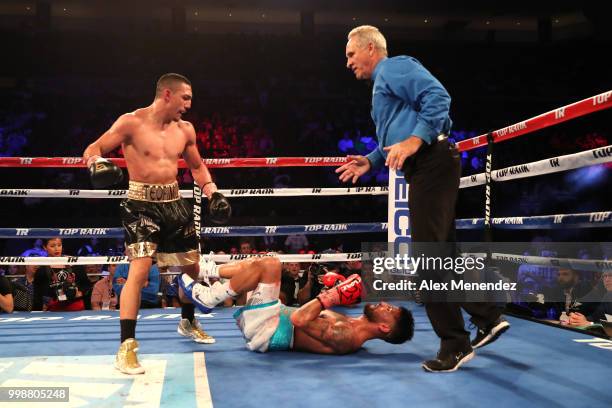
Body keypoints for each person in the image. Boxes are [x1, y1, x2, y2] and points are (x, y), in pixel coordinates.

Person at [336, 26, 509, 372]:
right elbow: (394, 134)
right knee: (442, 252)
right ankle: (486, 316)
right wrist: (370, 161)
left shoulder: (394, 67)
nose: (348, 63)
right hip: (429, 164)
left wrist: (415, 141)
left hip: (432, 160)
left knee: (429, 257)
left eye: (351, 55)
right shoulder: (383, 83)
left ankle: (456, 342)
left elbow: (439, 97)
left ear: (371, 48)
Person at [82, 73, 231, 375]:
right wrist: (96, 164)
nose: (189, 104)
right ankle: (126, 347)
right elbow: (93, 148)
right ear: (167, 94)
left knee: (192, 266)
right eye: (185, 97)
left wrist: (212, 192)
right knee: (140, 269)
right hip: (140, 205)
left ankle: (188, 321)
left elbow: (197, 166)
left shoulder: (185, 130)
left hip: (175, 202)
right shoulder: (131, 123)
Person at [179, 256, 414, 354]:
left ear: (385, 328)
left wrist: (331, 296)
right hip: (270, 320)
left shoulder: (349, 337)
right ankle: (202, 272)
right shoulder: (351, 323)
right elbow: (311, 312)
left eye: (390, 310)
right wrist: (330, 290)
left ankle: (210, 296)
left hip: (270, 331)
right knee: (258, 263)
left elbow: (299, 319)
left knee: (270, 264)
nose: (384, 304)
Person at [33, 238, 91, 312]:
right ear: (45, 247)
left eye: (59, 245)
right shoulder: (41, 269)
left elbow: (86, 284)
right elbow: (38, 293)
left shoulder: (73, 263)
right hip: (54, 307)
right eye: (52, 246)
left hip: (76, 306)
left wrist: (80, 292)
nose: (57, 249)